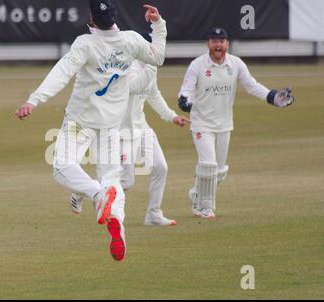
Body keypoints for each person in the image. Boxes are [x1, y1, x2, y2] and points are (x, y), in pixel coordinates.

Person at [15, 0, 167, 261]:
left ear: (92, 19)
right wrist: (158, 25)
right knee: (112, 179)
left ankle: (97, 195)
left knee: (62, 166)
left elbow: (61, 73)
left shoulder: (85, 43)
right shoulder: (131, 40)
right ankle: (116, 222)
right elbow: (159, 57)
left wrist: (34, 99)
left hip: (80, 121)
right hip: (111, 125)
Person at [70, 34, 190, 226]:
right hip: (121, 132)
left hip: (142, 128)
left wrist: (172, 116)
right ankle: (82, 191)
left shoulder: (149, 67)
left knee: (161, 167)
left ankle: (153, 214)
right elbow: (135, 87)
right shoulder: (126, 66)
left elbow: (153, 94)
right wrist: (153, 66)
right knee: (125, 182)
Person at [178, 27, 294, 219]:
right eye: (214, 41)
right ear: (207, 44)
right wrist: (184, 99)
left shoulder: (236, 64)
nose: (218, 45)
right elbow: (187, 88)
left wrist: (273, 97)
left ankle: (197, 192)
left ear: (227, 44)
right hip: (202, 123)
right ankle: (204, 207)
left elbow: (252, 85)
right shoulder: (197, 65)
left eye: (222, 41)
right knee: (208, 165)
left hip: (224, 123)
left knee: (220, 172)